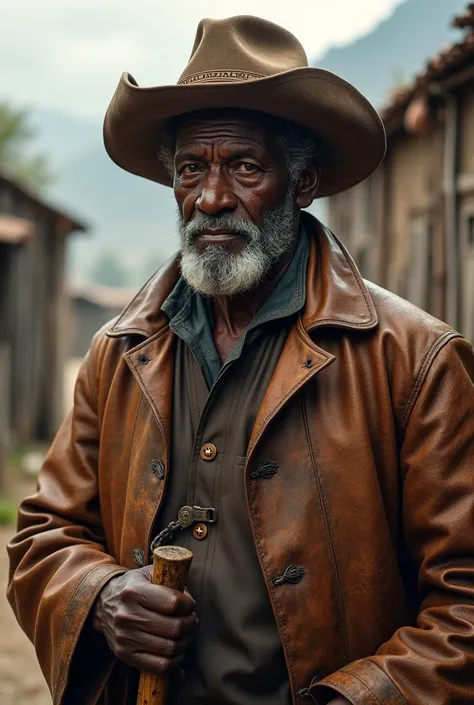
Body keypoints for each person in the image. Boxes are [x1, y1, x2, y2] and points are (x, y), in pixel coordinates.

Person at [7, 14, 474, 705]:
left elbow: (463, 607)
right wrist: (99, 594)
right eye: (192, 168)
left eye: (245, 167)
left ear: (304, 180)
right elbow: (42, 536)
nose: (213, 198)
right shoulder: (122, 352)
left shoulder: (415, 363)